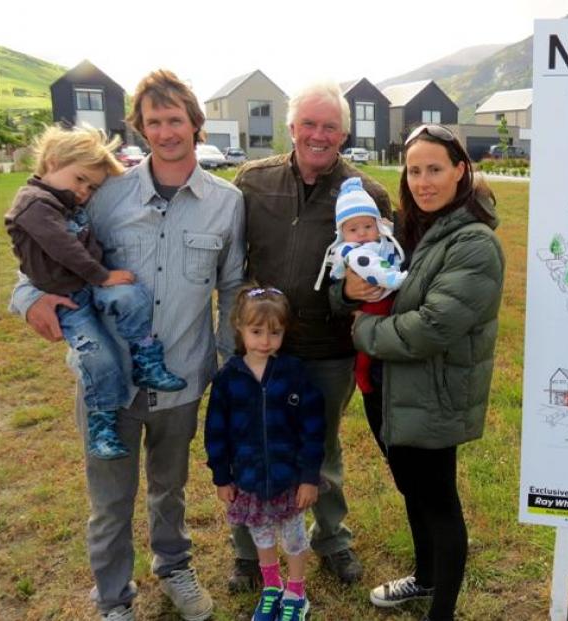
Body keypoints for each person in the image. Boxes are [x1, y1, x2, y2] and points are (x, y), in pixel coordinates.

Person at [10, 69, 245, 621]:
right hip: (107, 382)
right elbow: (40, 256)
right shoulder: (103, 195)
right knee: (110, 502)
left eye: (176, 120)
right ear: (139, 129)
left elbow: (232, 285)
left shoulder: (226, 202)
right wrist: (28, 301)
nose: (166, 132)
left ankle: (174, 568)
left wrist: (229, 360)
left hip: (183, 375)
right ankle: (114, 599)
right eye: (154, 121)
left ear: (196, 125)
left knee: (170, 488)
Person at [229, 79, 391, 588]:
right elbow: (232, 260)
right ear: (292, 127)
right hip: (260, 346)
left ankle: (331, 540)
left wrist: (349, 298)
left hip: (327, 350)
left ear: (343, 134)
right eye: (309, 125)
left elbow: (379, 279)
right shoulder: (252, 182)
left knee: (320, 447)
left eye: (330, 127)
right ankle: (249, 552)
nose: (318, 135)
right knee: (249, 441)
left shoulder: (368, 196)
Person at [345, 124, 505, 621]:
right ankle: (425, 577)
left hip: (434, 391)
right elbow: (359, 281)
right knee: (413, 490)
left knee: (438, 501)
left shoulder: (474, 244)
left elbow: (431, 327)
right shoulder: (410, 232)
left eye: (434, 169)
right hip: (389, 390)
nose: (422, 181)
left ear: (461, 170)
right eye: (414, 171)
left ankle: (443, 612)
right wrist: (349, 293)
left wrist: (361, 331)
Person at [5, 125, 187, 460]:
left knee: (130, 295)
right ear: (53, 161)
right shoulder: (34, 204)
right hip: (71, 301)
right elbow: (63, 249)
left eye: (91, 187)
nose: (84, 192)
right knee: (98, 357)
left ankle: (146, 357)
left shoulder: (64, 203)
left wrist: (105, 279)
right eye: (79, 180)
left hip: (89, 286)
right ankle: (102, 424)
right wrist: (102, 276)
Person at [205, 286, 325, 621]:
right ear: (239, 329)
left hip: (289, 480)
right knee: (261, 535)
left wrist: (308, 477)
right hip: (249, 479)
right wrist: (222, 477)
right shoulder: (229, 377)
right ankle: (272, 587)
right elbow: (215, 432)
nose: (265, 340)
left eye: (275, 332)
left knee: (294, 538)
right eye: (256, 331)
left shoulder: (294, 374)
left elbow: (313, 430)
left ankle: (296, 592)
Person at [313, 177, 406, 454]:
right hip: (370, 310)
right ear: (342, 231)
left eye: (368, 226)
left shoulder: (380, 221)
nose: (363, 233)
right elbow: (372, 273)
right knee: (364, 357)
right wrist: (398, 279)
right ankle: (363, 378)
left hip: (389, 324)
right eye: (354, 229)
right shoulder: (354, 252)